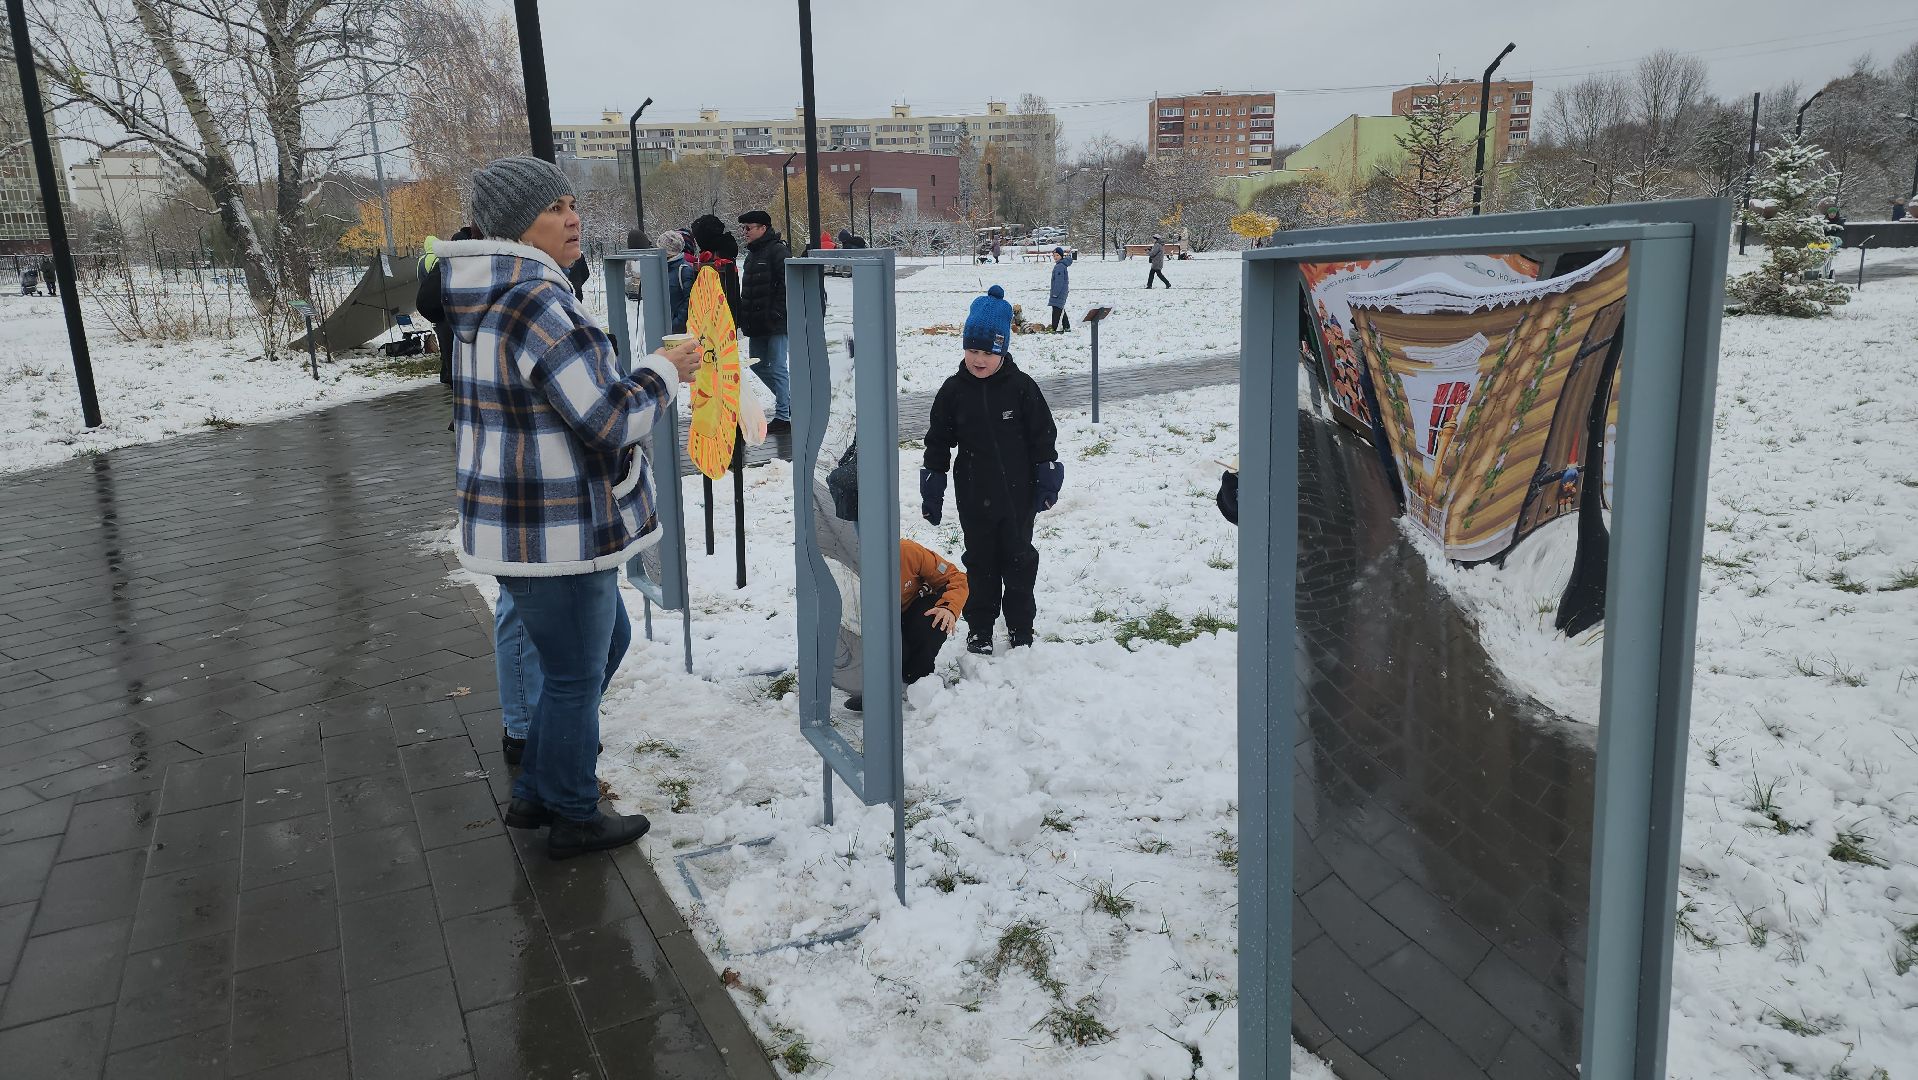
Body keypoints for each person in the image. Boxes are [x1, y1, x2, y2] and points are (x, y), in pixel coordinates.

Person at [438, 155, 701, 859]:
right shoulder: (535, 301)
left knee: (598, 649)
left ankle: (540, 791)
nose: (572, 217)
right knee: (576, 672)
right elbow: (610, 418)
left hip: (526, 524)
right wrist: (665, 371)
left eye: (571, 203)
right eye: (554, 208)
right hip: (557, 530)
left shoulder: (493, 295)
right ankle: (573, 812)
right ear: (518, 225)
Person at [920, 285, 1063, 654]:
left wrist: (1047, 477)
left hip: (1019, 494)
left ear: (1003, 350)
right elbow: (938, 442)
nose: (978, 359)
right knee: (980, 563)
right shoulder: (953, 391)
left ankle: (1020, 627)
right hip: (973, 491)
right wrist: (932, 488)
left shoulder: (1021, 388)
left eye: (987, 351)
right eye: (972, 349)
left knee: (1018, 560)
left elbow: (1042, 436)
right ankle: (980, 627)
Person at [736, 209, 792, 435]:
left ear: (763, 228)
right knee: (758, 364)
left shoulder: (778, 252)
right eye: (743, 228)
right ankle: (789, 402)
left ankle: (783, 415)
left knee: (778, 366)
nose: (745, 232)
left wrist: (777, 314)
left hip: (776, 323)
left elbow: (788, 286)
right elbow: (748, 292)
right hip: (757, 324)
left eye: (748, 228)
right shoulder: (751, 256)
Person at [658, 229, 698, 334]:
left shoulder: (684, 270)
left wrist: (676, 324)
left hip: (679, 332)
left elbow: (689, 302)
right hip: (666, 328)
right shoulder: (662, 269)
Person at [1047, 246, 1075, 332]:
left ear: (1061, 256)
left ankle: (1055, 328)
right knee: (1060, 308)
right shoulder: (1061, 265)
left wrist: (1055, 293)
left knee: (1056, 311)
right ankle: (1066, 326)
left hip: (1058, 292)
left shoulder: (1059, 266)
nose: (1055, 257)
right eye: (1054, 256)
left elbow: (1059, 282)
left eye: (1057, 255)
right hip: (1061, 292)